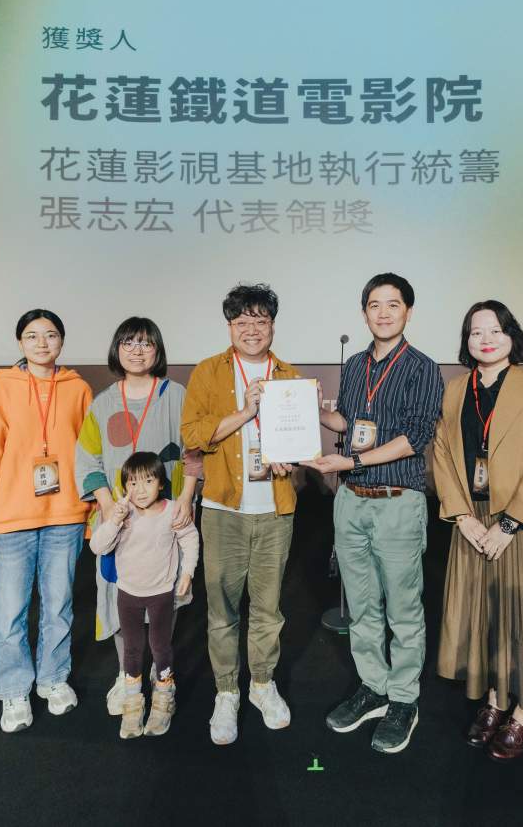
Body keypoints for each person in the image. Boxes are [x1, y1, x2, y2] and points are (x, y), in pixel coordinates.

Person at [310, 272, 444, 754]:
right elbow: (348, 422)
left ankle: (404, 698)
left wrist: (352, 462)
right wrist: (312, 411)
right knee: (363, 607)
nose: (383, 312)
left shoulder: (423, 368)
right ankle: (374, 685)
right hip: (351, 501)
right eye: (374, 305)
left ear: (409, 311)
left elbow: (414, 438)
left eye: (393, 304)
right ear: (364, 312)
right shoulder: (354, 365)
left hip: (397, 501)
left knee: (404, 610)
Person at [432, 300, 523, 761]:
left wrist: (508, 525)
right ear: (466, 340)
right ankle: (494, 697)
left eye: (495, 330)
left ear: (512, 336)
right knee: (484, 614)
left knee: (521, 617)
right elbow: (442, 456)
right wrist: (463, 517)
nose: (486, 339)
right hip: (472, 520)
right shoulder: (455, 390)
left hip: (518, 524)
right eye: (476, 332)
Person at [179, 283, 301, 745]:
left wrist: (291, 457)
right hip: (223, 509)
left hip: (275, 509)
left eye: (260, 320)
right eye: (242, 321)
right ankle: (227, 691)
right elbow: (193, 434)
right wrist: (245, 411)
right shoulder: (208, 372)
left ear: (273, 325)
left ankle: (262, 685)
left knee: (268, 609)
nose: (252, 329)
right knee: (223, 610)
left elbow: (299, 440)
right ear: (230, 326)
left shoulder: (288, 376)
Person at [0, 308, 94, 734]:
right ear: (20, 342)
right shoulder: (1, 390)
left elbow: (91, 456)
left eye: (51, 334)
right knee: (9, 614)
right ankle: (14, 690)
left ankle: (53, 678)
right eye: (33, 335)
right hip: (10, 521)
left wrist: (92, 515)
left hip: (65, 517)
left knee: (58, 606)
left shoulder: (78, 389)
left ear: (62, 341)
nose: (42, 343)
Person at [75, 317, 202, 715]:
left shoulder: (176, 395)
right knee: (118, 598)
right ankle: (125, 674)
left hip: (166, 521)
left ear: (157, 350)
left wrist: (185, 499)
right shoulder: (102, 403)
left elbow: (194, 453)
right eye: (128, 342)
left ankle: (159, 672)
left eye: (146, 343)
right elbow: (87, 460)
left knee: (166, 597)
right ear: (117, 349)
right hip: (120, 524)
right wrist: (106, 506)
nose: (137, 350)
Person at [88, 452, 199, 739]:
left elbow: (190, 538)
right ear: (125, 486)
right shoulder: (123, 513)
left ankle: (163, 697)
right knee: (132, 649)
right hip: (128, 594)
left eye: (148, 481)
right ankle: (133, 702)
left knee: (161, 647)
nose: (140, 490)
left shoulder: (172, 510)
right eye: (133, 483)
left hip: (161, 593)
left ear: (161, 483)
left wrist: (187, 572)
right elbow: (97, 547)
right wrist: (114, 520)